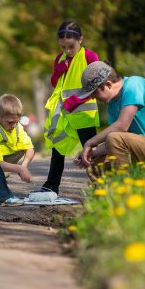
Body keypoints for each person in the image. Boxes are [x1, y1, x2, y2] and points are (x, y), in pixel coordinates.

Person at [74, 61, 145, 171]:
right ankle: (108, 190)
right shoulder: (113, 103)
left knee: (114, 137)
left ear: (108, 85)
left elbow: (121, 127)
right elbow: (114, 143)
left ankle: (124, 186)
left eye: (94, 92)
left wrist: (89, 143)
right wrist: (91, 152)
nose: (93, 97)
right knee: (96, 162)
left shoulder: (134, 85)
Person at [41, 20, 100, 194]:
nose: (67, 51)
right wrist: (58, 69)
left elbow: (96, 83)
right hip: (63, 112)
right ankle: (51, 186)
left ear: (80, 39)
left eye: (70, 47)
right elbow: (54, 83)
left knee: (90, 151)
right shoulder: (60, 59)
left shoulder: (90, 56)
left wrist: (76, 100)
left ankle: (99, 185)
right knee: (57, 149)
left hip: (83, 113)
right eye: (62, 47)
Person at [0, 94, 35, 182]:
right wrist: (18, 169)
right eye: (10, 122)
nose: (14, 126)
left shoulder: (15, 124)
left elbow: (29, 148)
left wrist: (23, 167)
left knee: (22, 149)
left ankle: (0, 175)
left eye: (16, 121)